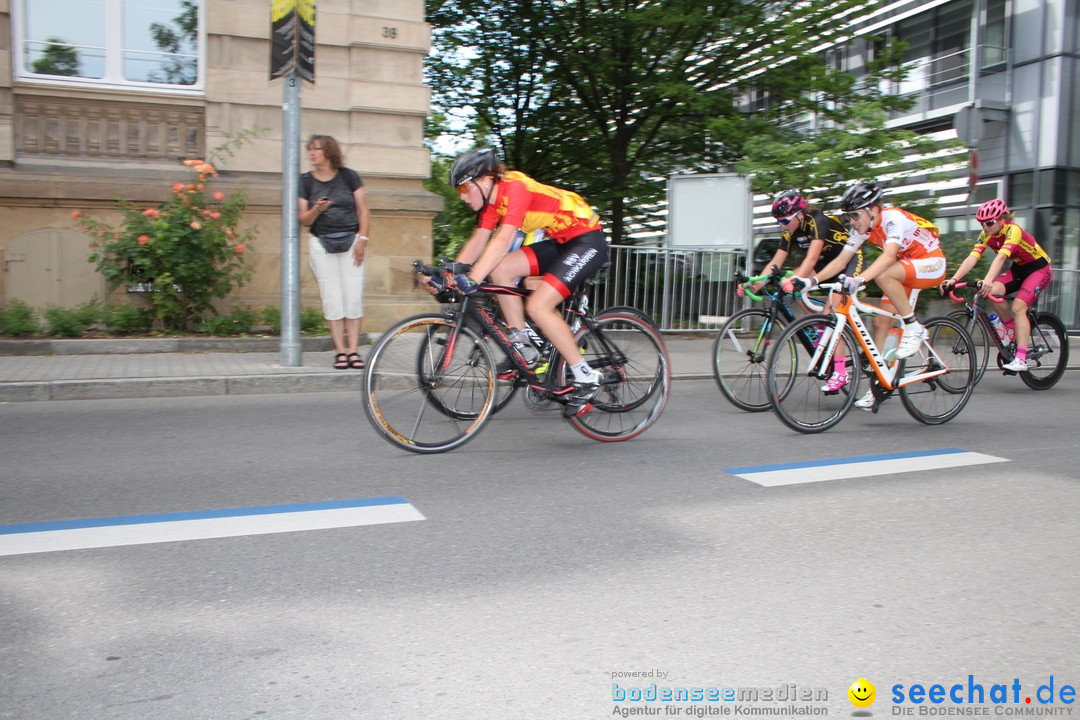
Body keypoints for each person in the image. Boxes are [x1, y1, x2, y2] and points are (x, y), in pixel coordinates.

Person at [442, 147, 609, 416]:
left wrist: (472, 279)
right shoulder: (492, 203)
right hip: (561, 242)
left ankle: (585, 374)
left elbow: (503, 240)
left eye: (463, 189)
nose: (462, 197)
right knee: (502, 271)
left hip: (587, 239)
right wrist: (450, 274)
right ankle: (523, 345)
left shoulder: (515, 186)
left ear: (485, 181)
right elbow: (479, 240)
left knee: (538, 306)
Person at [785, 181, 946, 408]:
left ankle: (913, 326)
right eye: (849, 216)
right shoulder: (864, 228)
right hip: (905, 269)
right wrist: (811, 280)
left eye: (855, 215)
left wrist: (860, 279)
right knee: (881, 322)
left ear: (873, 210)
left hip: (931, 263)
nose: (853, 221)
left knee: (884, 275)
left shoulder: (893, 219)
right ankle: (879, 385)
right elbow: (842, 259)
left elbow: (889, 256)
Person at [752, 190, 863, 393]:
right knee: (791, 281)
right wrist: (757, 284)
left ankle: (840, 371)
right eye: (779, 222)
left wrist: (796, 282)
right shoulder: (789, 230)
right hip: (825, 264)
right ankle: (820, 325)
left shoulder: (817, 221)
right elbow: (776, 261)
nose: (783, 225)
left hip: (847, 261)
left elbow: (810, 260)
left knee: (834, 313)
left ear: (799, 213)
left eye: (785, 220)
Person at [940, 198, 1052, 372]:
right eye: (981, 224)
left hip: (1038, 269)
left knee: (1017, 307)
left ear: (1001, 220)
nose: (985, 227)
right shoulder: (986, 234)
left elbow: (1001, 258)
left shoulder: (1013, 230)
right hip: (1019, 269)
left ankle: (1021, 359)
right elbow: (972, 257)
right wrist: (953, 279)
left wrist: (987, 279)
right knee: (991, 292)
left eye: (989, 223)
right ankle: (1011, 331)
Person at [298, 135, 371, 370]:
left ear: (328, 152)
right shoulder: (305, 181)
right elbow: (303, 220)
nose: (311, 153)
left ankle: (353, 351)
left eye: (315, 149)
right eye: (309, 149)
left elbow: (363, 211)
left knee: (353, 296)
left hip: (352, 242)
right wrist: (317, 210)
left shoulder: (349, 176)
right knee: (332, 298)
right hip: (321, 244)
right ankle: (340, 352)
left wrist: (362, 240)